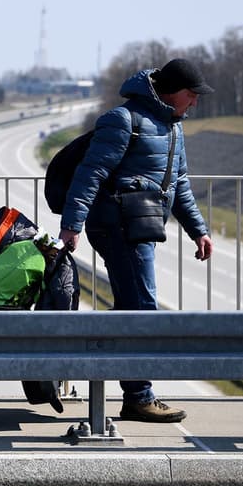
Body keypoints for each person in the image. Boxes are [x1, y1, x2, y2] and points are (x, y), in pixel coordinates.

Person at [58, 58, 214, 423]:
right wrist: (72, 224)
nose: (194, 103)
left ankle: (102, 364)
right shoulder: (123, 121)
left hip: (141, 227)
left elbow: (181, 186)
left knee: (132, 307)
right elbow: (90, 173)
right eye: (191, 95)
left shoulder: (173, 129)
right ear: (173, 90)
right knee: (142, 308)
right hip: (116, 227)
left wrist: (199, 230)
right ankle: (139, 396)